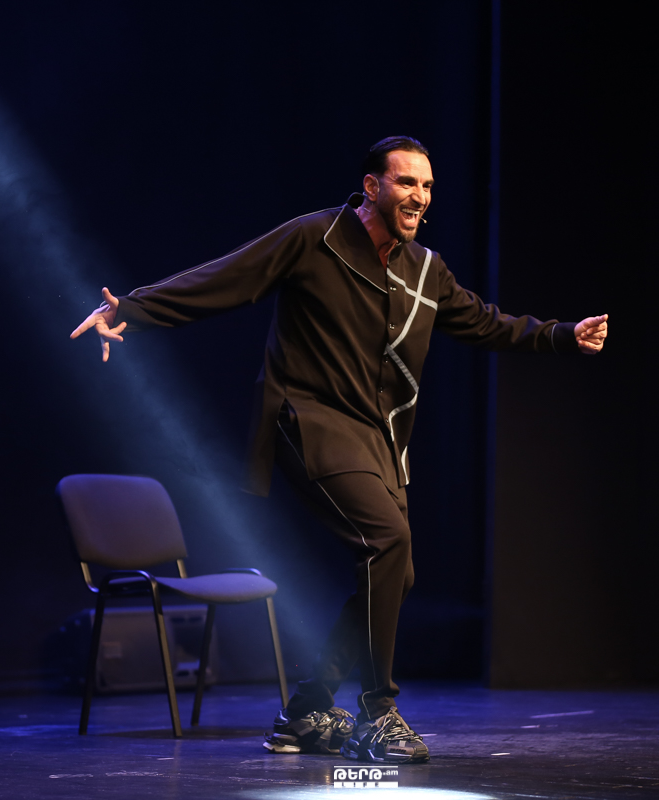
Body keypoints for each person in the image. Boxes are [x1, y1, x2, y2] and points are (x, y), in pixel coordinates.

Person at [71, 136, 608, 763]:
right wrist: (134, 309)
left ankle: (304, 711)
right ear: (372, 187)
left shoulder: (426, 270)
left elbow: (484, 322)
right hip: (308, 421)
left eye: (427, 186)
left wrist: (561, 336)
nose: (419, 197)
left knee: (395, 571)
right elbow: (229, 276)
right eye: (406, 183)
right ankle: (378, 712)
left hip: (379, 439)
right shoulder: (315, 237)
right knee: (388, 541)